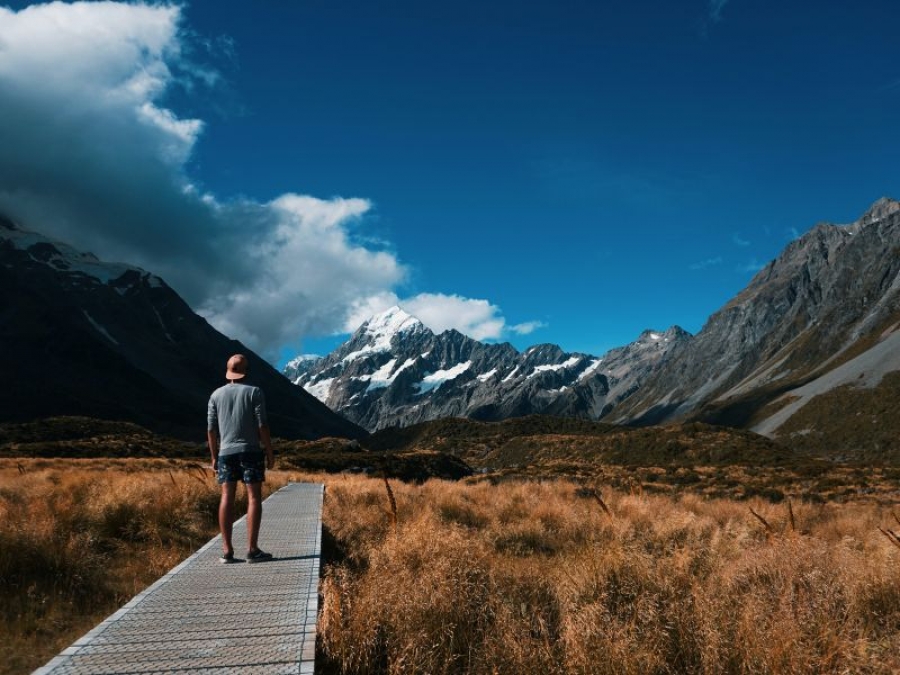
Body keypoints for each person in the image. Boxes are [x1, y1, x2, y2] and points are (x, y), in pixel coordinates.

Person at [207, 353, 276, 563]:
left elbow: (211, 429)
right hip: (251, 451)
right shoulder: (254, 392)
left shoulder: (215, 395)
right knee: (253, 497)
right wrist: (269, 451)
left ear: (228, 372)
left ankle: (227, 550)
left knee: (226, 497)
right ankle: (252, 550)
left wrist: (214, 456)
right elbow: (262, 425)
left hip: (225, 453)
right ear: (246, 372)